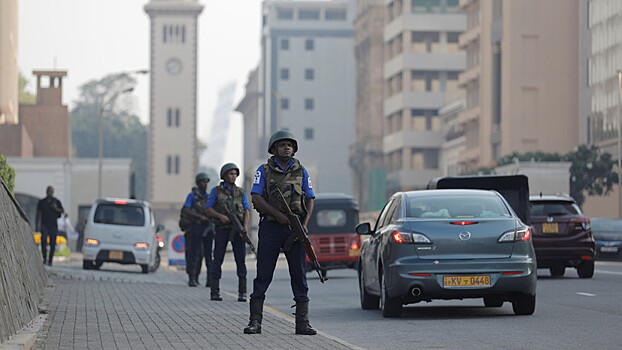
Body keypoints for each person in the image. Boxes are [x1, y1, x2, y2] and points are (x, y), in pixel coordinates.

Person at [244, 130, 317, 335]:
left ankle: (302, 323)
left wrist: (304, 225)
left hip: (296, 229)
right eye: (282, 144)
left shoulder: (302, 172)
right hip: (271, 227)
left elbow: (310, 199)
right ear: (274, 149)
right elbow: (257, 198)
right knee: (263, 274)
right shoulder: (264, 171)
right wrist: (278, 215)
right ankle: (255, 322)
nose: (287, 148)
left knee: (299, 274)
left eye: (290, 145)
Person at [205, 163, 251, 302]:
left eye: (235, 174)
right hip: (222, 229)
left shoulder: (240, 192)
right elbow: (208, 208)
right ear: (224, 176)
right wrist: (221, 217)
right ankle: (215, 291)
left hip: (238, 230)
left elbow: (247, 210)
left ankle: (242, 292)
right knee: (217, 259)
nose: (233, 176)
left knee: (240, 260)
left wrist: (245, 227)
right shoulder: (216, 191)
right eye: (230, 174)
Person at [182, 173, 214, 287]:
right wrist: (200, 217)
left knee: (208, 255)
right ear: (197, 183)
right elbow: (186, 209)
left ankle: (210, 280)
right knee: (194, 253)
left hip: (208, 228)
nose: (204, 184)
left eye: (206, 182)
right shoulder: (192, 196)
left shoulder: (209, 197)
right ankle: (192, 277)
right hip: (197, 226)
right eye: (202, 182)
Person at [35, 186, 64, 266]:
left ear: (53, 192)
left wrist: (56, 209)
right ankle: (45, 258)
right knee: (43, 240)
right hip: (44, 224)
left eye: (51, 191)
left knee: (53, 243)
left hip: (53, 225)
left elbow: (62, 211)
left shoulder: (56, 201)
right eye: (48, 191)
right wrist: (36, 225)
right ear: (46, 192)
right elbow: (38, 213)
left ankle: (50, 260)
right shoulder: (42, 202)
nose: (49, 193)